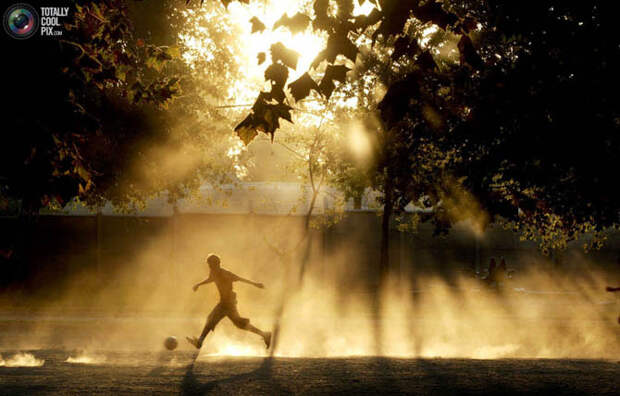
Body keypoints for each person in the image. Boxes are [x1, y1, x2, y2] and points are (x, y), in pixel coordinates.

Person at [186, 254, 271, 349]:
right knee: (239, 324)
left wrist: (255, 284)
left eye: (211, 264)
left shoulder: (225, 273)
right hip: (226, 302)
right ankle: (265, 335)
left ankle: (200, 342)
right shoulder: (213, 272)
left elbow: (239, 278)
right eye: (209, 265)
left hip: (228, 303)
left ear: (217, 264)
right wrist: (199, 284)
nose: (210, 267)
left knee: (211, 318)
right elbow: (210, 279)